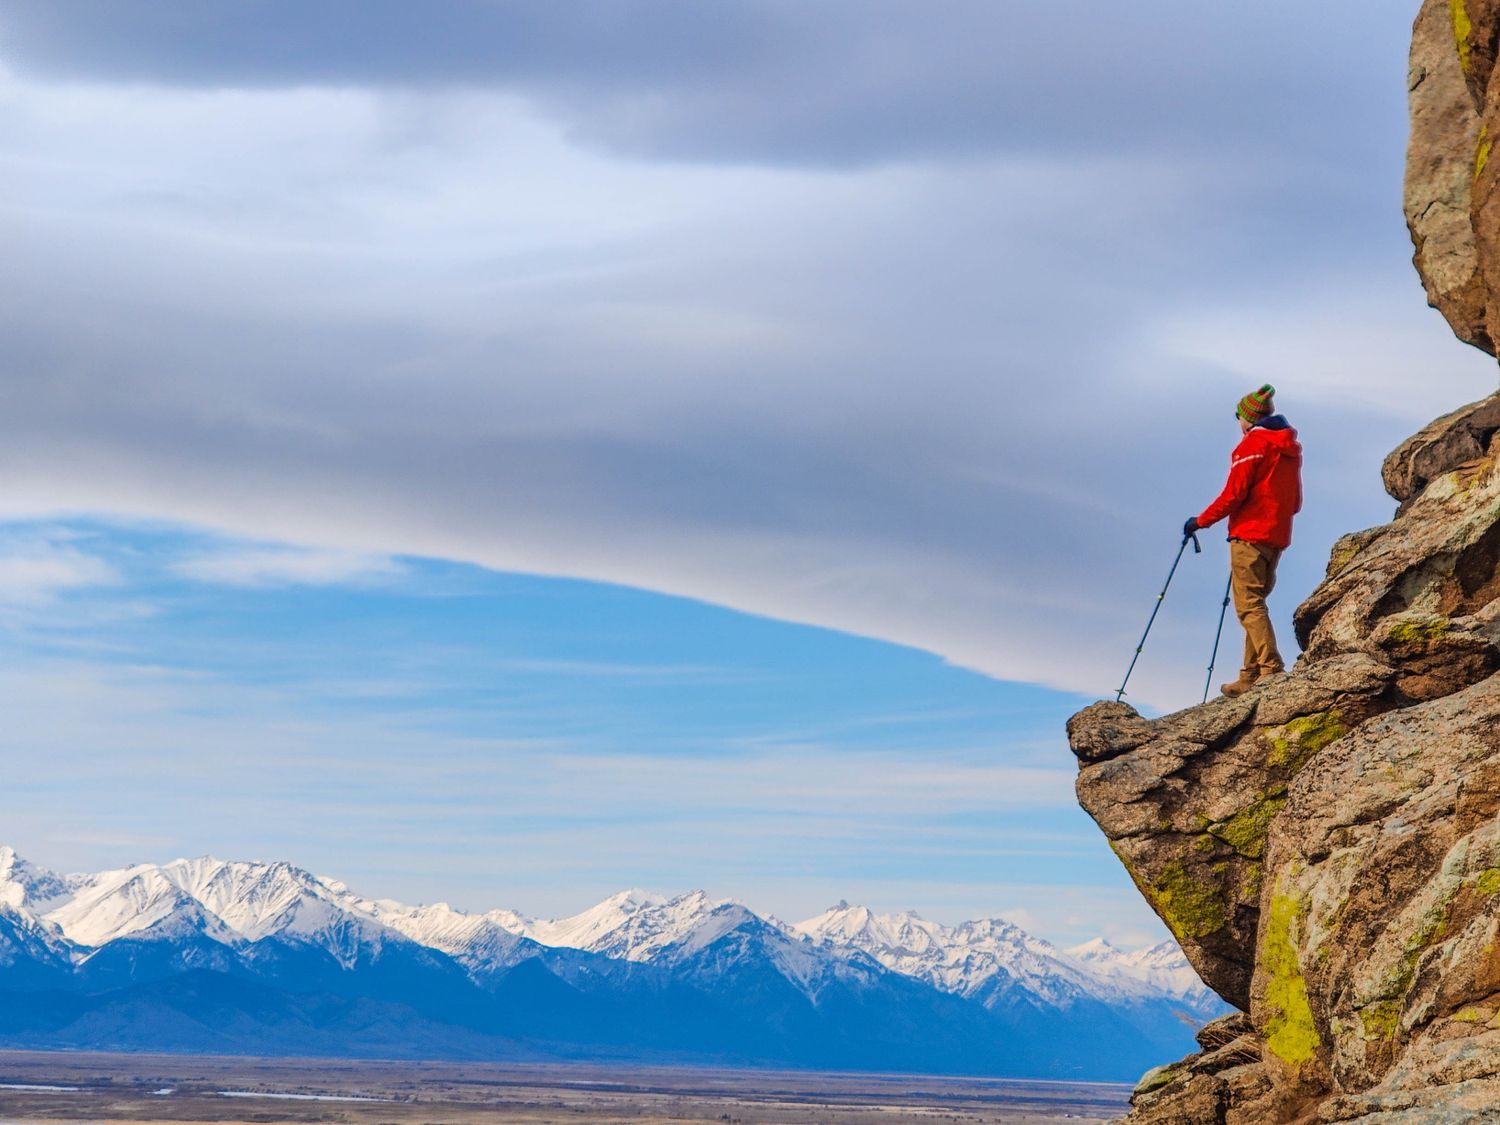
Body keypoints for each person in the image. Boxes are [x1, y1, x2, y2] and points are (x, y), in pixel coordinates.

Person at [1183, 384, 1303, 697]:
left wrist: (1200, 522)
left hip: (1249, 535)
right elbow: (1296, 502)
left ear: (1247, 418)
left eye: (1239, 417)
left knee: (1248, 607)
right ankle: (1250, 675)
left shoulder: (1251, 445)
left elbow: (1233, 494)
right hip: (1277, 537)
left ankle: (1271, 669)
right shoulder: (1288, 447)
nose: (1239, 423)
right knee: (1257, 604)